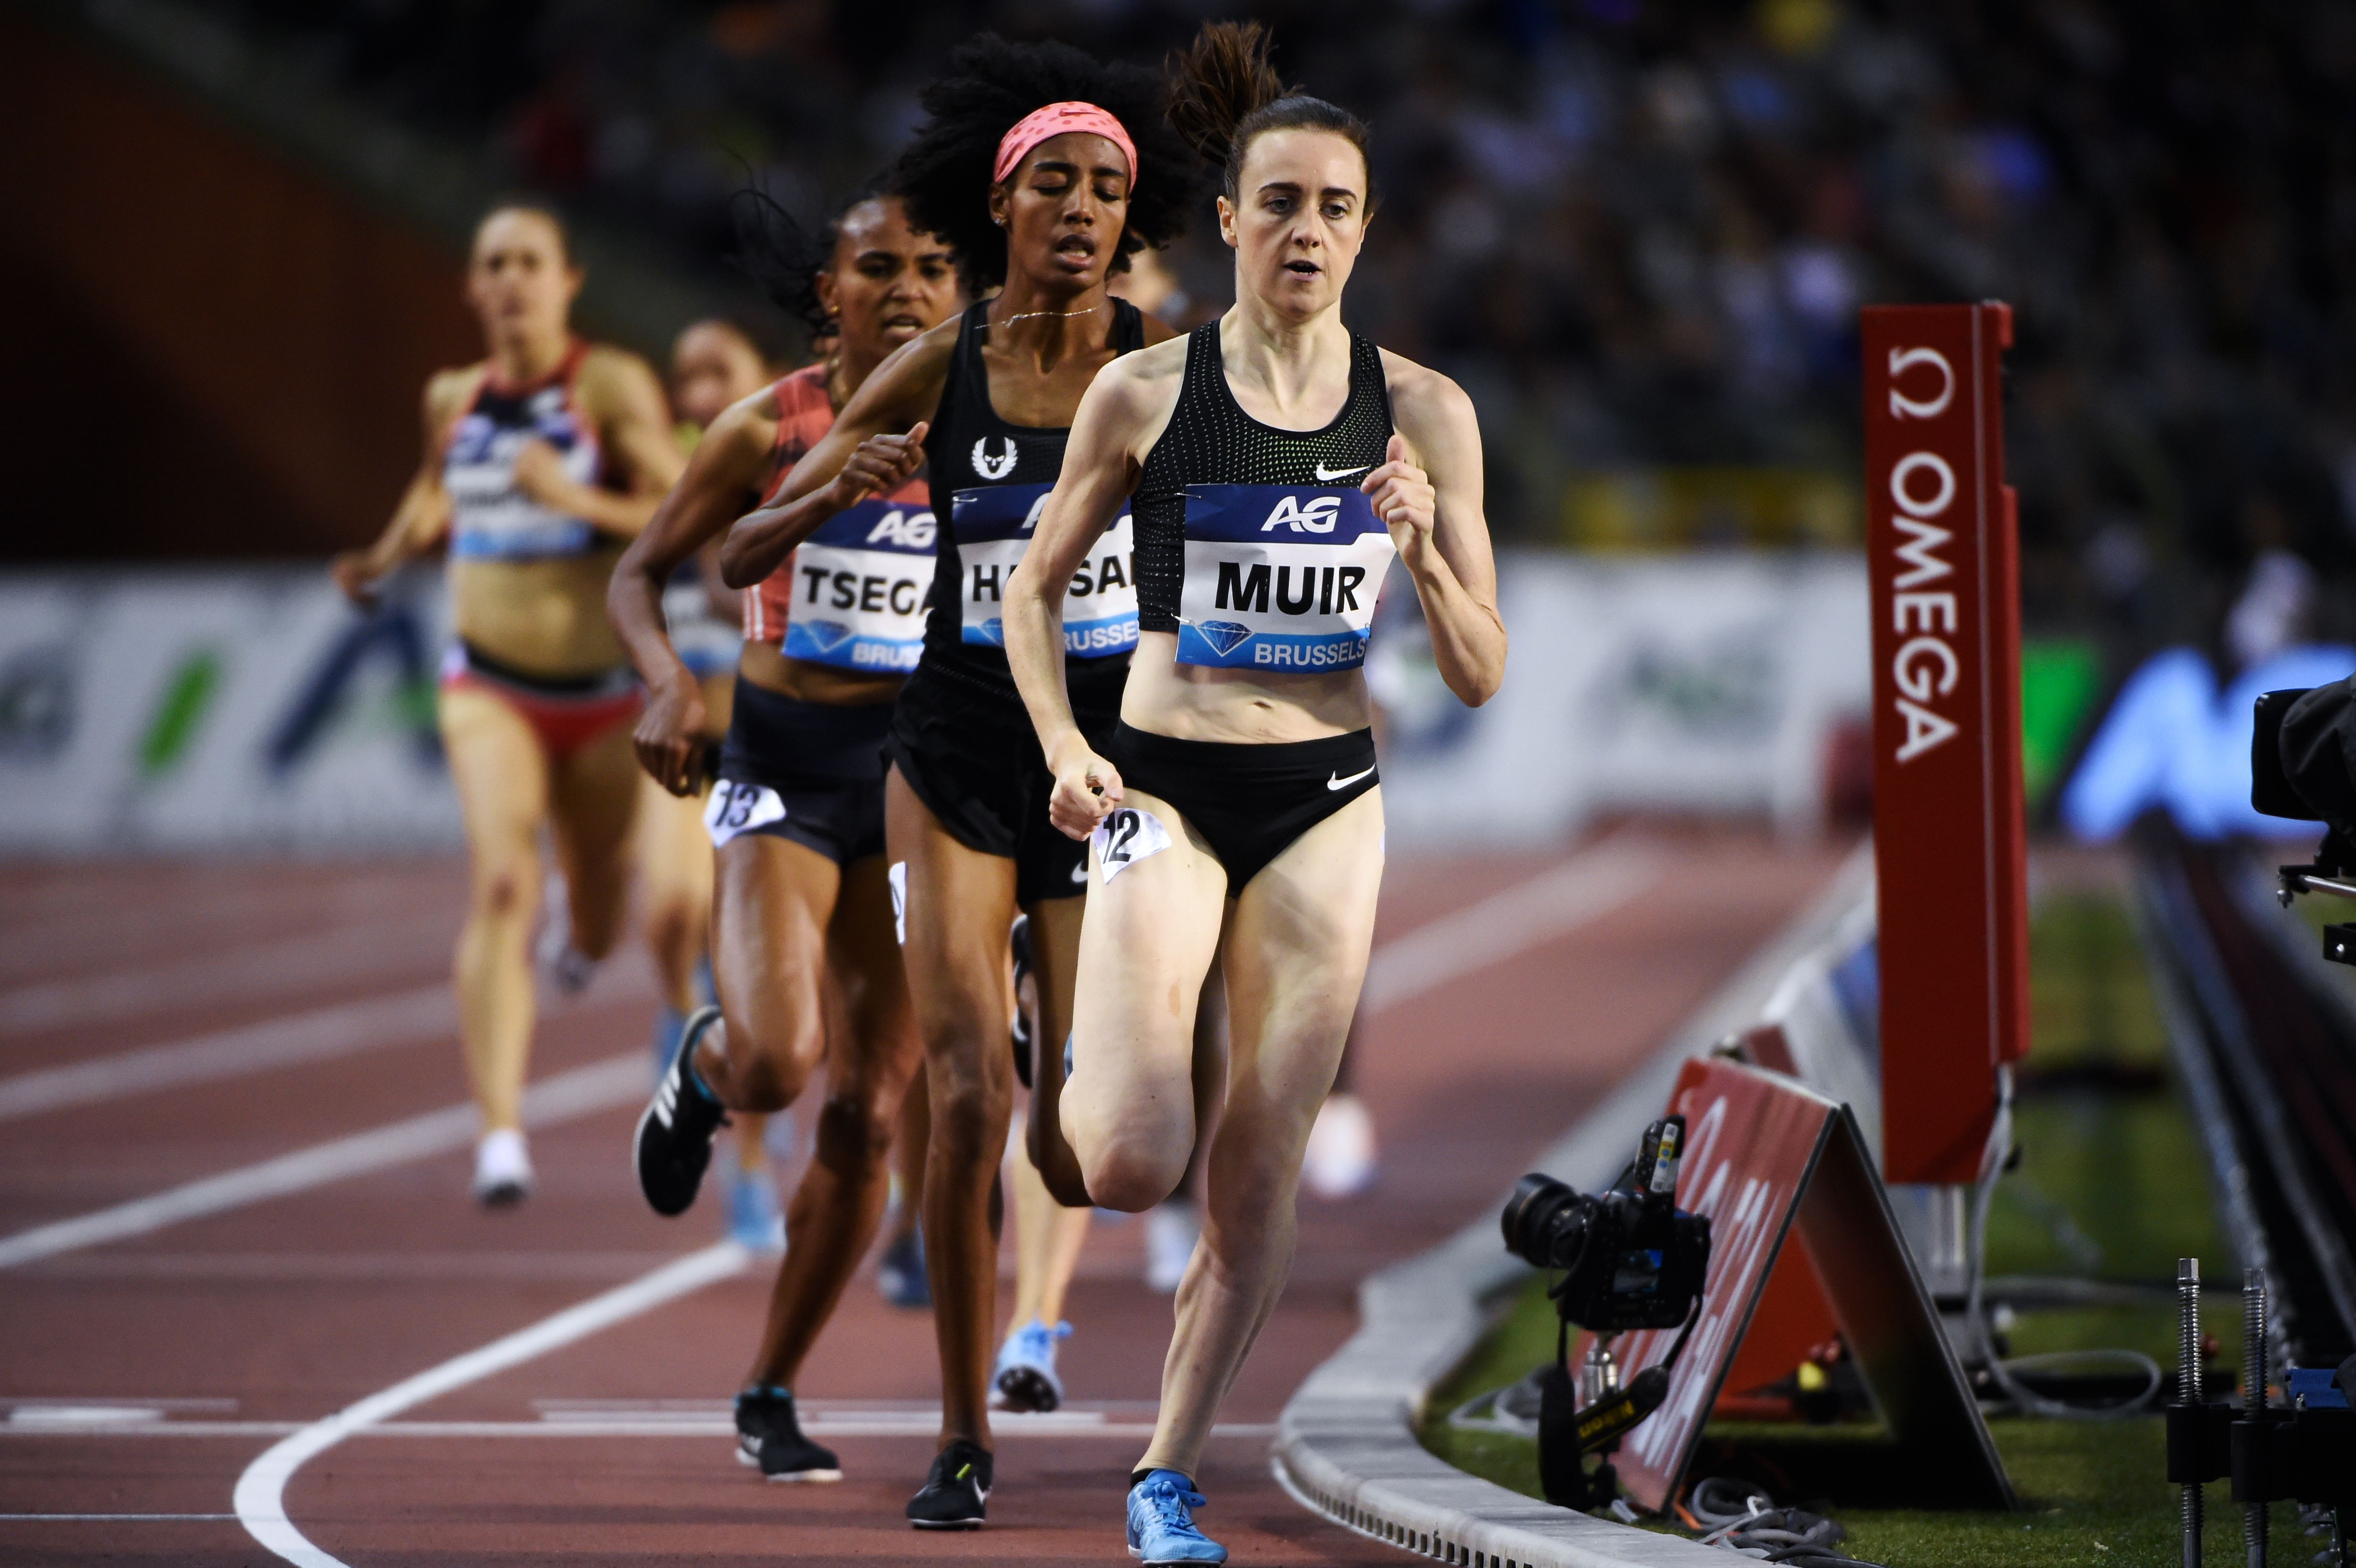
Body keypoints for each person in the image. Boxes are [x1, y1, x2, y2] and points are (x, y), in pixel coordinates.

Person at [1001, 25, 1506, 1564]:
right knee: (1128, 1160)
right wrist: (1063, 748)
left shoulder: (1424, 412)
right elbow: (1032, 592)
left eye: (1335, 206)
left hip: (1326, 800)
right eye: (1278, 202)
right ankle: (1060, 1031)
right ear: (1228, 220)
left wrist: (1421, 552)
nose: (1306, 231)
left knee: (1259, 1169)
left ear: (1367, 227)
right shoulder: (1146, 394)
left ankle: (1166, 1473)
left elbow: (1482, 670)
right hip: (1164, 783)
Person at [717, 37, 1197, 1528]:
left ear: (1129, 219)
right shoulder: (947, 360)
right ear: (1000, 206)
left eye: (1106, 187)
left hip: (1099, 772)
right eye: (1053, 181)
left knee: (1080, 1145)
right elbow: (739, 553)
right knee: (968, 1092)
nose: (1080, 206)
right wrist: (828, 489)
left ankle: (1074, 1056)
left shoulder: (1162, 370)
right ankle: (962, 1435)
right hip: (952, 761)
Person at [610, 185, 963, 1480]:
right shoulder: (768, 425)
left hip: (919, 783)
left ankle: (769, 1388)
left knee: (868, 1114)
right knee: (777, 1061)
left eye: (934, 268)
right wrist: (665, 681)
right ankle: (705, 1069)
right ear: (831, 291)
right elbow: (641, 572)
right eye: (880, 267)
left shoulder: (990, 430)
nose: (908, 289)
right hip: (784, 770)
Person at [334, 202, 682, 1208]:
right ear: (474, 287)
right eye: (495, 264)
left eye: (530, 261)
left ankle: (584, 925)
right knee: (499, 885)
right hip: (488, 684)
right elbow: (436, 488)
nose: (512, 279)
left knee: (603, 910)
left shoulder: (606, 384)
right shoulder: (453, 394)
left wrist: (578, 502)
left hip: (605, 697)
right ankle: (499, 1132)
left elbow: (683, 502)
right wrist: (385, 552)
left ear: (567, 282)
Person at [649, 316, 787, 1250]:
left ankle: (749, 1173)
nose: (700, 392)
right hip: (687, 750)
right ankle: (676, 1021)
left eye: (718, 372)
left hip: (772, 749)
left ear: (763, 378)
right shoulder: (664, 466)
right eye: (686, 375)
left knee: (755, 977)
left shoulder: (798, 469)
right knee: (668, 907)